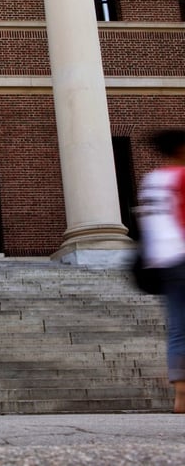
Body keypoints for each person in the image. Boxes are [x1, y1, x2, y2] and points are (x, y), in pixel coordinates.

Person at [137, 129, 185, 414]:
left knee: (179, 327)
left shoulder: (152, 180)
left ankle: (181, 395)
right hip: (183, 255)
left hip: (163, 260)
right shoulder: (181, 177)